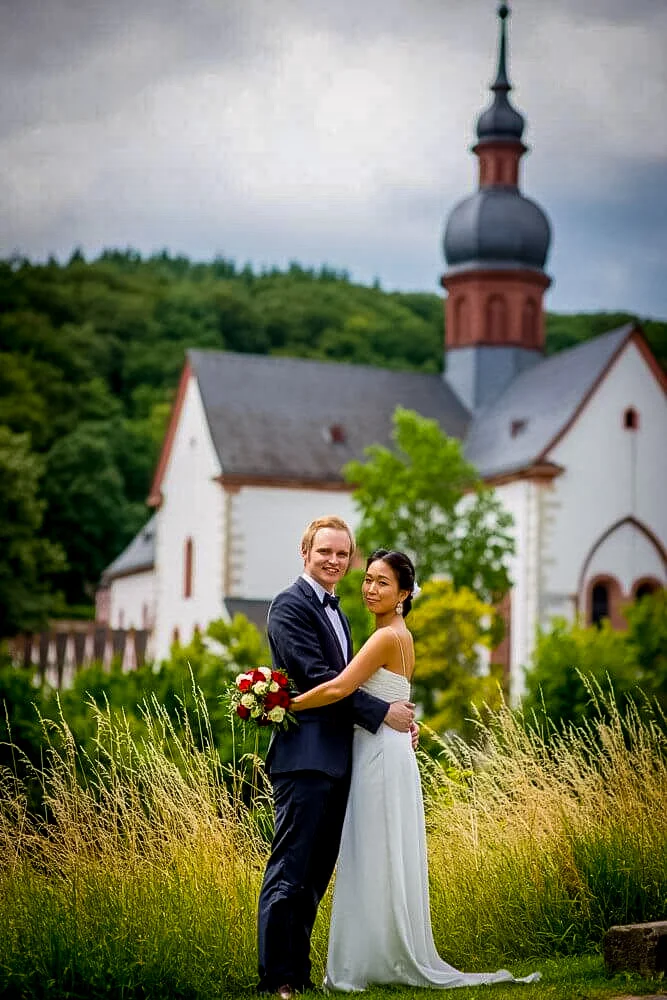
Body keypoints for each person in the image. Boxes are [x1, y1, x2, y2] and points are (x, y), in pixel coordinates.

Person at [290, 549, 541, 992]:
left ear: (404, 593)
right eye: (367, 579)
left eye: (383, 582)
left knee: (371, 852)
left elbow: (340, 687)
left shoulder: (387, 637)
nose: (370, 588)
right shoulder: (397, 634)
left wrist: (282, 703)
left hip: (378, 756)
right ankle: (377, 956)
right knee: (378, 853)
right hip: (385, 748)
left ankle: (369, 961)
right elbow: (393, 694)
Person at [257, 518, 417, 999]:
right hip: (305, 759)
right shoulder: (289, 606)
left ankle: (299, 973)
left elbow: (358, 680)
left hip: (341, 760)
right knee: (290, 869)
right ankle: (278, 978)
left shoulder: (341, 614)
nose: (334, 561)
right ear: (305, 551)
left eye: (343, 555)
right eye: (324, 551)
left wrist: (402, 717)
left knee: (314, 877)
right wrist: (382, 711)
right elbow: (316, 677)